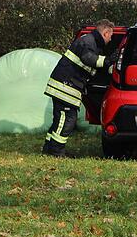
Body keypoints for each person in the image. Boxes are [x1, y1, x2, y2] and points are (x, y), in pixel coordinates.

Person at [43, 20, 115, 157]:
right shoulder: (88, 42)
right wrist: (109, 60)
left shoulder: (89, 41)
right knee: (67, 120)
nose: (111, 40)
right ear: (105, 33)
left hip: (64, 85)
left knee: (59, 120)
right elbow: (89, 59)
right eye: (110, 36)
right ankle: (56, 152)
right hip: (66, 86)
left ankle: (49, 149)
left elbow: (91, 68)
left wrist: (109, 67)